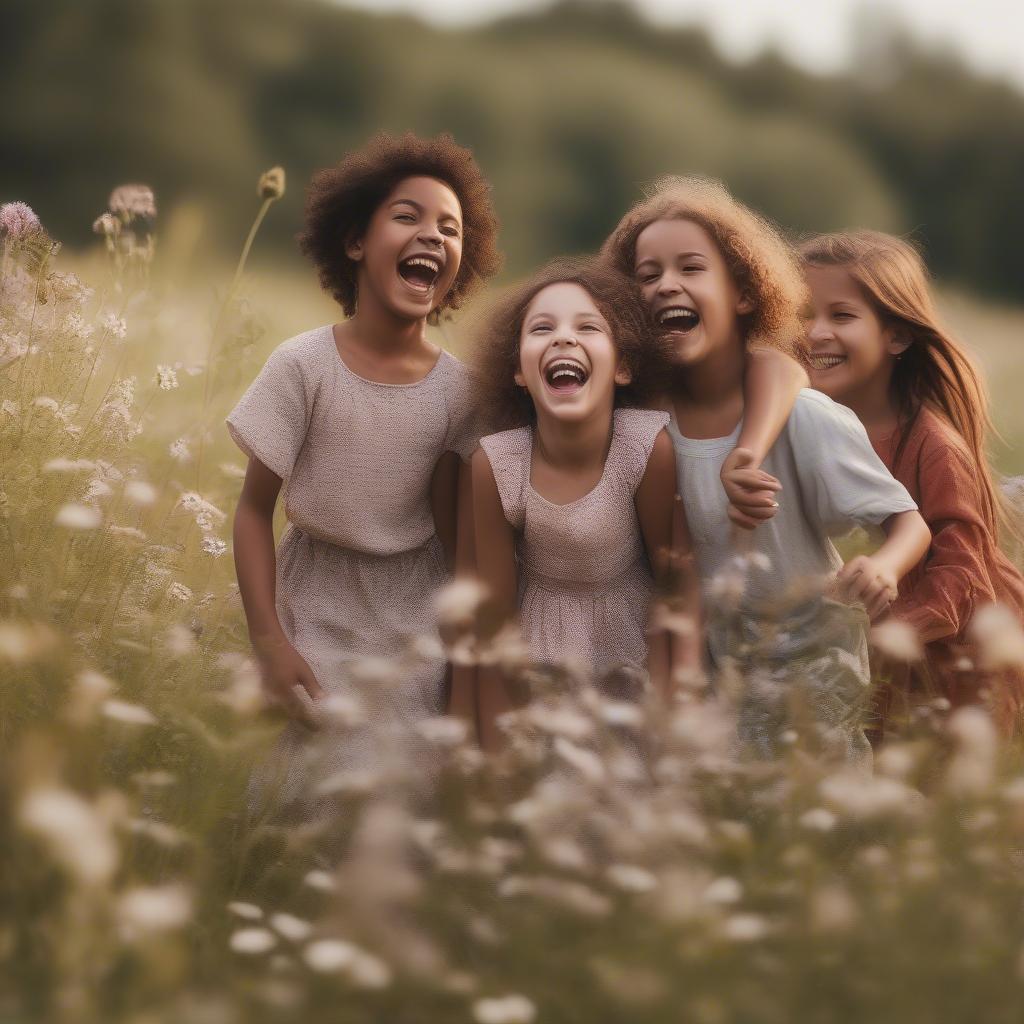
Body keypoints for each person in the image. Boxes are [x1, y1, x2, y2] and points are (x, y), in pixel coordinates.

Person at [603, 178, 931, 762]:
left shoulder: (802, 419)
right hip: (701, 685)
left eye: (691, 268)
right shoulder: (637, 424)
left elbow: (909, 523)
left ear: (745, 292)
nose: (665, 285)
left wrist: (884, 566)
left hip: (809, 683)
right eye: (647, 275)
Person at [227, 132, 501, 810]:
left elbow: (460, 529)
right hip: (312, 598)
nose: (432, 236)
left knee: (396, 791)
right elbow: (253, 511)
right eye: (408, 216)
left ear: (459, 269)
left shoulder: (460, 392)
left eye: (450, 229)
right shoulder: (303, 365)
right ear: (355, 243)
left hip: (412, 610)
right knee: (296, 788)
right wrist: (269, 641)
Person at [801, 230, 1024, 738]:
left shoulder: (933, 445)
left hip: (943, 672)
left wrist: (880, 639)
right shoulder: (796, 425)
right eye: (800, 314)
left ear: (897, 336)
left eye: (841, 316)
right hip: (837, 662)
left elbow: (962, 572)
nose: (814, 333)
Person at [470, 259, 699, 751]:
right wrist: (496, 747)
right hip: (538, 659)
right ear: (517, 371)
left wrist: (673, 699)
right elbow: (494, 617)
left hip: (630, 655)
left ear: (622, 366)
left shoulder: (645, 447)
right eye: (542, 328)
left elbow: (674, 585)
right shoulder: (497, 464)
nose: (564, 339)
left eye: (587, 327)